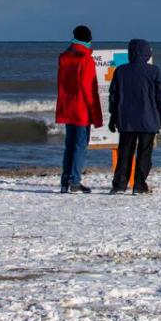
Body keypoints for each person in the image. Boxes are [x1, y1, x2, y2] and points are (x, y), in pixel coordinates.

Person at [108, 38, 161, 195]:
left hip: (126, 120)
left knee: (125, 153)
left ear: (131, 52)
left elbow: (113, 98)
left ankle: (119, 186)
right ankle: (139, 186)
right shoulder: (154, 71)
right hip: (148, 120)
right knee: (144, 154)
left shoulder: (121, 71)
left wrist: (113, 118)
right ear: (147, 53)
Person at [56, 25, 104, 194]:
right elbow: (88, 88)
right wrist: (96, 113)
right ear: (88, 39)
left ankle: (65, 181)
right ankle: (74, 181)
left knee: (69, 145)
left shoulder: (64, 56)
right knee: (79, 146)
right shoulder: (85, 58)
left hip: (67, 106)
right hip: (81, 108)